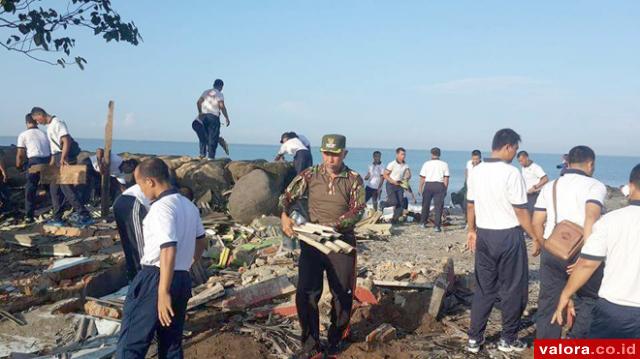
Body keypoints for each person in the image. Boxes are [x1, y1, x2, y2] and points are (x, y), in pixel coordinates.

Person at [279, 134, 365, 358]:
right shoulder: (310, 174)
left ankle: (336, 338)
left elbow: (358, 210)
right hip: (312, 241)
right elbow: (286, 197)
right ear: (321, 153)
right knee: (306, 292)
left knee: (343, 294)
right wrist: (284, 216)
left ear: (344, 153)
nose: (330, 159)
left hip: (340, 243)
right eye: (327, 154)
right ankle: (310, 343)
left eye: (335, 154)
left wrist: (335, 225)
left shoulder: (354, 179)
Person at [116, 158, 206, 359]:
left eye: (139, 185)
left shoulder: (160, 208)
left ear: (150, 181)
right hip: (181, 278)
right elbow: (201, 241)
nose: (141, 191)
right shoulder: (188, 205)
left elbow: (167, 248)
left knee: (132, 341)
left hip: (156, 278)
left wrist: (163, 291)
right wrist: (187, 264)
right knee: (171, 342)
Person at [466, 128, 541, 353]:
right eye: (515, 149)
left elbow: (470, 205)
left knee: (484, 289)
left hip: (484, 234)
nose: (515, 154)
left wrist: (471, 230)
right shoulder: (511, 173)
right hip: (508, 235)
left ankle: (474, 338)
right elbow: (521, 211)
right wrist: (536, 236)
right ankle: (507, 339)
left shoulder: (476, 171)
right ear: (508, 147)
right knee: (513, 290)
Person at [552, 164, 640, 338]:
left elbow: (587, 264)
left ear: (630, 186)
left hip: (615, 307)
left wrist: (566, 294)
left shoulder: (611, 220)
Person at [532, 146, 607, 339]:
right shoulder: (595, 186)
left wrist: (543, 244)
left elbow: (537, 221)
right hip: (581, 251)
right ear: (590, 164)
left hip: (552, 250)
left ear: (568, 162)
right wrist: (586, 256)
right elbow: (590, 218)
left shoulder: (551, 186)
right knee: (588, 300)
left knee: (549, 303)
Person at [30, 106, 93, 227]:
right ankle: (57, 217)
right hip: (58, 157)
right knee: (54, 190)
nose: (38, 123)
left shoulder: (57, 122)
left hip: (65, 157)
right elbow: (54, 149)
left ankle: (84, 215)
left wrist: (63, 158)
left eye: (37, 120)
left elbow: (66, 140)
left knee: (66, 188)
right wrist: (51, 164)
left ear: (40, 115)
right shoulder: (49, 127)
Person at [16, 114, 51, 223]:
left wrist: (18, 166)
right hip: (48, 161)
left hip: (34, 162)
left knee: (30, 189)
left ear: (26, 123)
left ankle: (29, 215)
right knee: (50, 188)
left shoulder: (23, 135)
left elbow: (20, 154)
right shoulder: (44, 134)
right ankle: (56, 209)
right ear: (36, 122)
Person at [113, 181, 149, 282]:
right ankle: (143, 278)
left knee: (130, 243)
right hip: (131, 203)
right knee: (138, 244)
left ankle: (135, 278)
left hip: (123, 202)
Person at [196, 79, 230, 159]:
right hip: (213, 117)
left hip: (203, 116)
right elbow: (221, 106)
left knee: (204, 135)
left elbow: (198, 102)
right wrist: (227, 118)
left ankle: (202, 154)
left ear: (213, 85)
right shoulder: (219, 94)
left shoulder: (206, 92)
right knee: (213, 137)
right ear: (221, 86)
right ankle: (210, 157)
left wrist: (200, 112)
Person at [419, 147, 450, 232]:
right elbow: (446, 178)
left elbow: (422, 177)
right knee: (438, 206)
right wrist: (445, 189)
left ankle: (423, 223)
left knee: (425, 205)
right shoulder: (444, 164)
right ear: (439, 154)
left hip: (428, 185)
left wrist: (420, 188)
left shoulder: (426, 164)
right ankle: (437, 226)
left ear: (431, 154)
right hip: (439, 185)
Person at [384, 148, 410, 224]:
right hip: (391, 184)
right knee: (393, 202)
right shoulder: (392, 164)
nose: (403, 156)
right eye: (402, 154)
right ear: (397, 154)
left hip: (400, 185)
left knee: (400, 203)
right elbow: (385, 175)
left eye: (404, 154)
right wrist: (392, 181)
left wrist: (406, 178)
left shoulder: (405, 165)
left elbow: (408, 174)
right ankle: (383, 205)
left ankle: (395, 219)